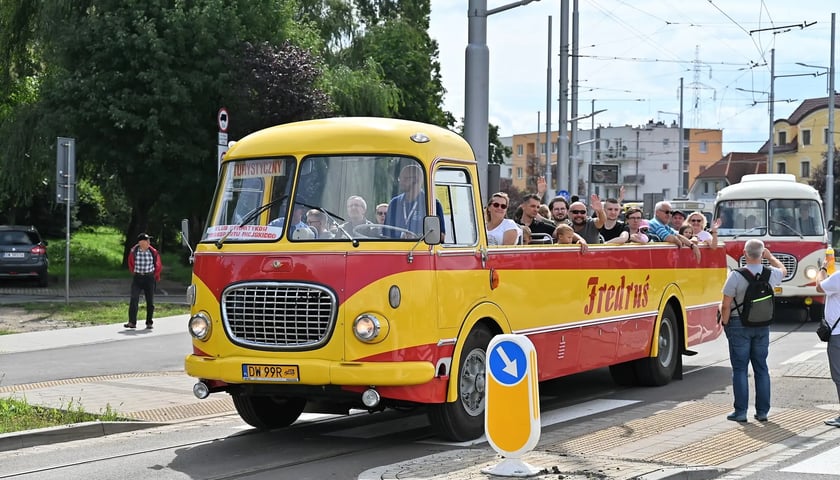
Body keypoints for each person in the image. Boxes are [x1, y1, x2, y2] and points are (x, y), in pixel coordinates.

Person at [718, 239, 786, 422]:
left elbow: (725, 305)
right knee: (761, 368)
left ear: (745, 253)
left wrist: (725, 324)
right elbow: (784, 270)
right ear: (762, 254)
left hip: (738, 324)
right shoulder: (771, 274)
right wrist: (770, 258)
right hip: (762, 325)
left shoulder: (735, 276)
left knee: (740, 369)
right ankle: (762, 412)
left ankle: (740, 412)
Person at [385, 164, 445, 239]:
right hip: (396, 249)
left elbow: (441, 236)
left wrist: (417, 237)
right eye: (400, 178)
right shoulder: (394, 203)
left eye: (405, 179)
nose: (400, 182)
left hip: (419, 248)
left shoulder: (431, 204)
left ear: (416, 180)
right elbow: (385, 233)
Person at [816, 258, 840, 427]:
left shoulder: (838, 277)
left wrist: (823, 269)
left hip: (838, 335)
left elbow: (819, 286)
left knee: (839, 377)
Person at [125, 233, 163, 330]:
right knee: (134, 299)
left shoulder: (153, 251)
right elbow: (130, 263)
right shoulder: (134, 251)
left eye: (149, 240)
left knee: (150, 301)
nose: (149, 242)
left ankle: (149, 322)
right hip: (137, 278)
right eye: (147, 240)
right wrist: (134, 272)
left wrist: (154, 275)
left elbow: (158, 265)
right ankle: (132, 322)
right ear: (141, 242)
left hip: (149, 278)